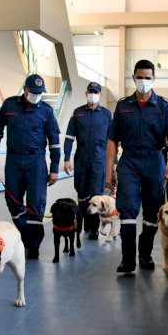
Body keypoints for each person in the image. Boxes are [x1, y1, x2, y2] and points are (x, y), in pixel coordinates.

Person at [106, 59, 168, 273]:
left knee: (152, 214)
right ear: (133, 78)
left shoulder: (163, 106)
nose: (143, 82)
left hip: (154, 161)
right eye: (140, 77)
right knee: (127, 210)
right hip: (129, 161)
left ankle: (145, 254)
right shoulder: (123, 105)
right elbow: (112, 139)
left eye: (148, 78)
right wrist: (108, 170)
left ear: (153, 79)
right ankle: (128, 260)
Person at [0, 74, 61, 260]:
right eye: (34, 92)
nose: (37, 95)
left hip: (36, 162)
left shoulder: (46, 111)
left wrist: (54, 168)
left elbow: (54, 142)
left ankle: (32, 245)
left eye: (40, 93)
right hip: (13, 161)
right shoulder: (9, 105)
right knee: (13, 201)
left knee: (36, 204)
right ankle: (24, 236)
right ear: (26, 89)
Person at [63, 82, 113, 240]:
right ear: (86, 93)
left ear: (99, 94)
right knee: (82, 194)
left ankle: (94, 228)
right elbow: (69, 137)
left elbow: (112, 141)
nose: (93, 94)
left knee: (96, 195)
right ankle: (84, 221)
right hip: (81, 160)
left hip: (99, 161)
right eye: (90, 91)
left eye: (96, 92)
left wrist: (114, 163)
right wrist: (66, 158)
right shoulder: (77, 113)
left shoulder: (106, 114)